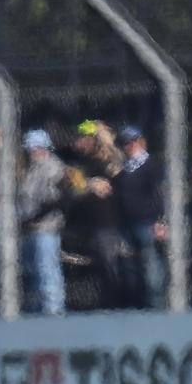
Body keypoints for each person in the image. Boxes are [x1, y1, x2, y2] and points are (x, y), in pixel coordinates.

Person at [69, 120, 126, 308]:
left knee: (112, 267)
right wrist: (89, 185)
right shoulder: (78, 164)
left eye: (83, 139)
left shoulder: (106, 160)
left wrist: (106, 139)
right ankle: (107, 304)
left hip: (108, 224)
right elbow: (75, 190)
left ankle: (117, 304)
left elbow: (119, 166)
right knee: (100, 268)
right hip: (90, 226)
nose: (78, 143)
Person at [114, 125, 167, 310]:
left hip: (148, 224)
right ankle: (137, 309)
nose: (129, 146)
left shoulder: (153, 165)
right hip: (127, 226)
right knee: (130, 271)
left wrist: (161, 221)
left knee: (151, 267)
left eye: (132, 141)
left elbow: (161, 194)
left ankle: (157, 308)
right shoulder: (123, 170)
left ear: (141, 141)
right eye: (125, 143)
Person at [19, 129, 69, 317]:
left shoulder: (54, 167)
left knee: (48, 273)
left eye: (33, 147)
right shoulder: (31, 168)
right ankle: (35, 314)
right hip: (28, 230)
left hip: (46, 229)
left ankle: (53, 313)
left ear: (43, 147)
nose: (30, 151)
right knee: (32, 274)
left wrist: (33, 216)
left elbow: (55, 200)